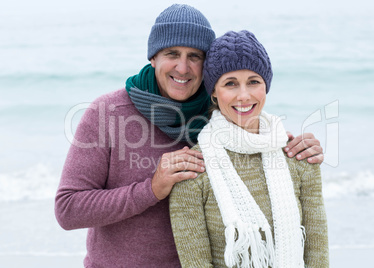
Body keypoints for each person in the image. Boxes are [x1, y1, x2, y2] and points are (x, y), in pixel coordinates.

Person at [55, 4, 324, 268]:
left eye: (194, 56)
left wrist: (294, 148)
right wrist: (151, 189)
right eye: (172, 53)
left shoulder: (220, 114)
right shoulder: (108, 113)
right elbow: (68, 209)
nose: (183, 68)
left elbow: (258, 142)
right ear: (153, 57)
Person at [169, 30, 329, 268]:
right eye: (230, 84)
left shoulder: (298, 158)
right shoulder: (193, 171)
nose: (243, 95)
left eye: (254, 82)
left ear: (266, 86)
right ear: (213, 91)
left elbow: (318, 256)